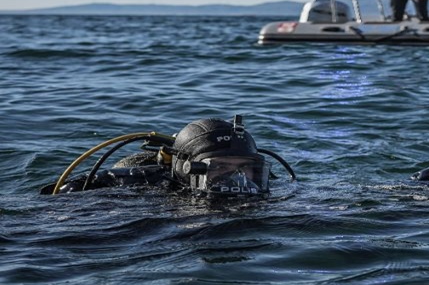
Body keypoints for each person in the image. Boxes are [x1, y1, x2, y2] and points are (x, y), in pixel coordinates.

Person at [41, 115, 296, 198]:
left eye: (246, 169)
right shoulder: (143, 185)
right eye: (219, 168)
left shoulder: (263, 192)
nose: (238, 179)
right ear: (188, 169)